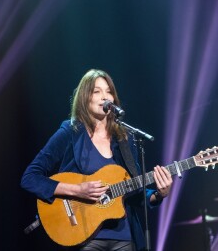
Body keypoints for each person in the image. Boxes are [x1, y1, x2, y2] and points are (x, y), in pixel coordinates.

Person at [21, 69, 173, 251]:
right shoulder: (71, 132)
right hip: (85, 236)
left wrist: (159, 195)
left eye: (108, 91)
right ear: (85, 97)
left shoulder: (124, 139)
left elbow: (134, 191)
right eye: (97, 91)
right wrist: (78, 190)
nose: (104, 96)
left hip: (125, 238)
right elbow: (30, 177)